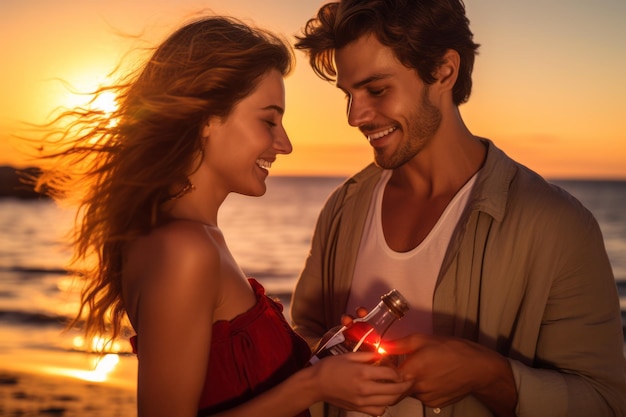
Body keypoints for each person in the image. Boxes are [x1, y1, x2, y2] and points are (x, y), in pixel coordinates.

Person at [32, 15, 413, 417]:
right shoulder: (183, 249)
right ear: (206, 120)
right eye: (268, 120)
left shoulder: (197, 237)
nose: (284, 144)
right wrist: (312, 385)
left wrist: (324, 362)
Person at [290, 1, 626, 416]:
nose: (355, 115)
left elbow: (605, 403)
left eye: (376, 90)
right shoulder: (344, 206)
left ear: (444, 71)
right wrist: (331, 349)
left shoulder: (558, 226)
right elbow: (301, 338)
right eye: (349, 94)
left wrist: (488, 375)